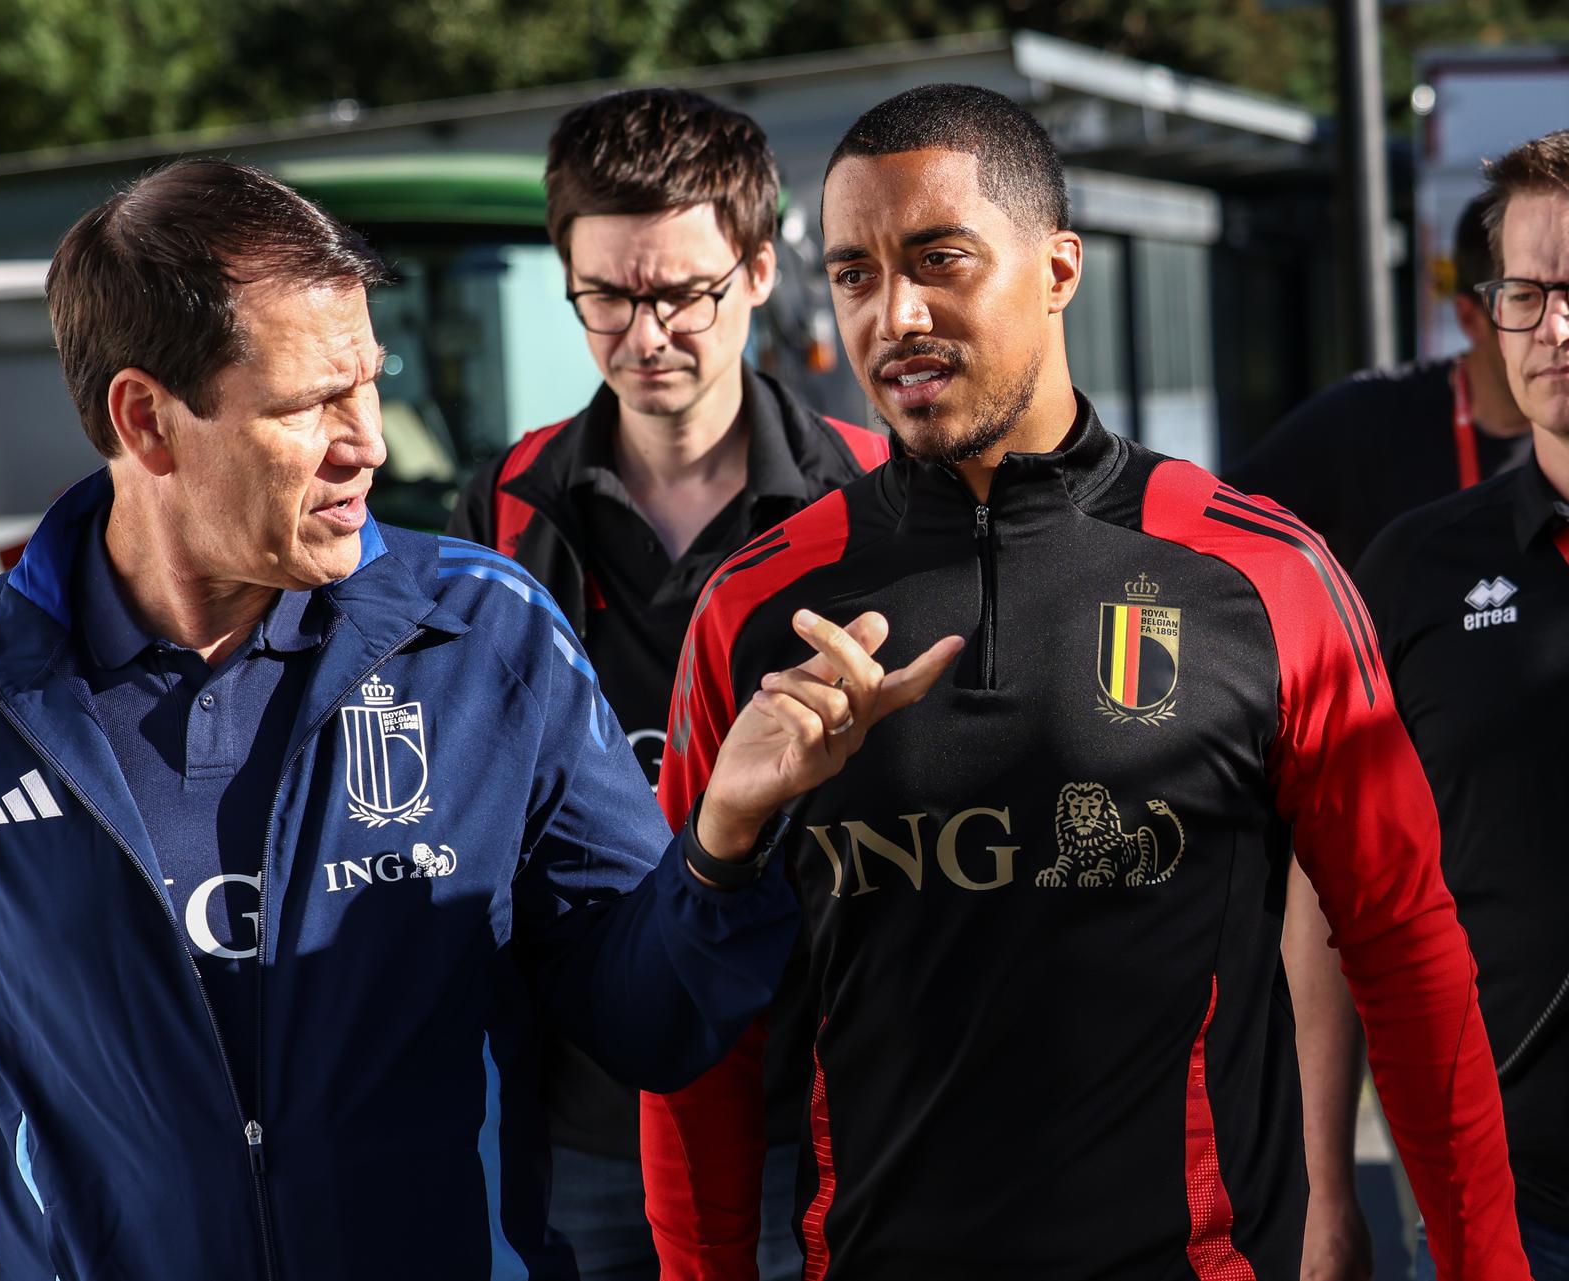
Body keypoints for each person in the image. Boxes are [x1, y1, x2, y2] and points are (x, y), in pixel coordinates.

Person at [0, 158, 964, 1280]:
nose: (370, 444)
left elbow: (649, 1024)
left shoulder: (487, 637)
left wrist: (722, 844)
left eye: (372, 384)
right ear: (146, 421)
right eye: (313, 405)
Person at [640, 84, 1530, 1280]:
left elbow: (1406, 950)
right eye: (853, 274)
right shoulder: (759, 609)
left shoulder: (1264, 576)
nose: (894, 315)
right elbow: (699, 1015)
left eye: (940, 259)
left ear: (1059, 270)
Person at [447, 87, 886, 1281]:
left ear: (758, 270)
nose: (645, 336)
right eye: (606, 296)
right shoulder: (503, 508)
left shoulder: (870, 497)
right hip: (585, 1111)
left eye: (682, 294)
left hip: (817, 1103)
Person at [1354, 129, 1569, 1281]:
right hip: (1503, 1209)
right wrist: (1328, 1185)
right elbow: (1332, 891)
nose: (1555, 331)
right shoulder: (1415, 569)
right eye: (1525, 296)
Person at [1230, 190, 1532, 570]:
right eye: (1526, 301)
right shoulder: (1365, 416)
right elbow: (1209, 532)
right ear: (1469, 319)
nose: (1558, 330)